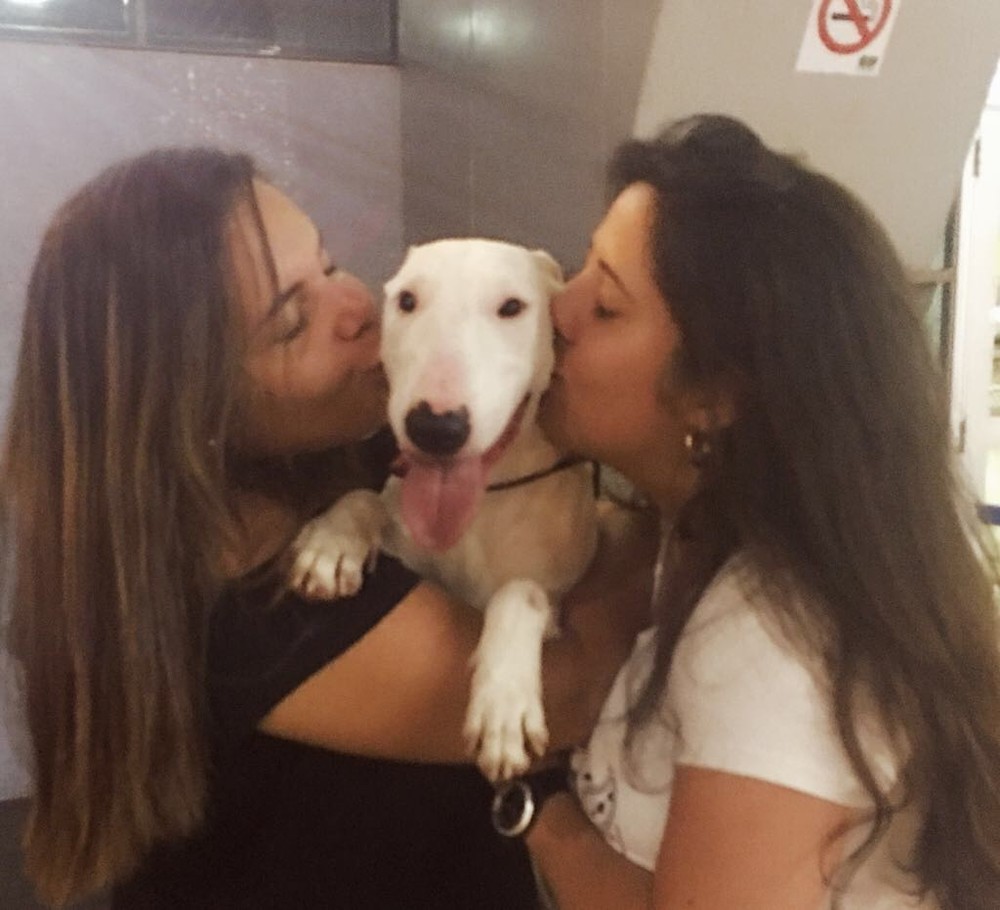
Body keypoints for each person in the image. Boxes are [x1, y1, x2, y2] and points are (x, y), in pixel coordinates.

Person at [0, 147, 656, 909]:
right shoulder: (247, 597)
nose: (355, 309)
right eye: (291, 323)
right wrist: (649, 528)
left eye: (329, 264)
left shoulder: (337, 452)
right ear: (193, 410)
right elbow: (572, 691)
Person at [520, 115, 1000, 909]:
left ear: (715, 396)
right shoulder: (692, 539)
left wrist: (540, 809)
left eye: (602, 305)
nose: (552, 311)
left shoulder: (772, 637)